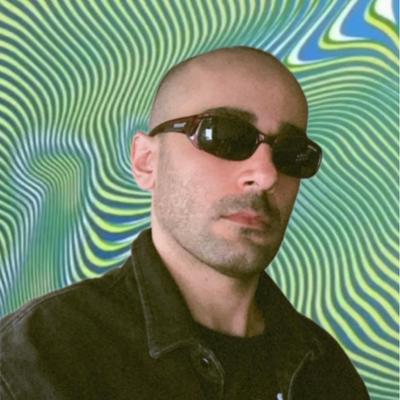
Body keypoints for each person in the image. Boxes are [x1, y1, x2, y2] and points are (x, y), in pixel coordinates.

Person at [0, 47, 369, 400]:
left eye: (291, 153)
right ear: (146, 162)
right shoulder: (36, 361)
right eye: (224, 136)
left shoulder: (326, 371)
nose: (266, 174)